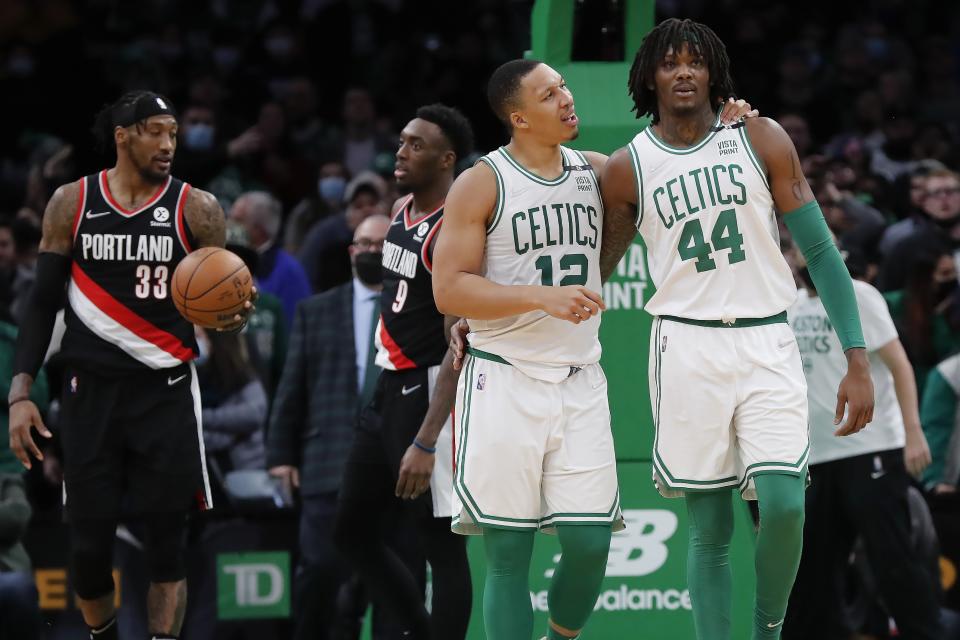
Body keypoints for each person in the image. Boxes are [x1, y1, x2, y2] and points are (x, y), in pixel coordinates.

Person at [433, 57, 753, 640]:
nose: (567, 98)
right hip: (504, 378)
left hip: (579, 378)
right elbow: (449, 288)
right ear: (519, 116)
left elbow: (686, 169)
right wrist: (541, 298)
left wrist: (728, 126)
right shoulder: (483, 181)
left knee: (590, 545)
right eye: (550, 93)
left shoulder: (598, 171)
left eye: (564, 86)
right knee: (508, 556)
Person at [597, 19, 874, 640]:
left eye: (696, 61)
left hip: (765, 338)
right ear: (650, 76)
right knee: (710, 530)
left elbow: (824, 253)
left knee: (783, 507)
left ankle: (768, 627)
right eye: (671, 63)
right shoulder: (627, 167)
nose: (685, 71)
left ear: (714, 73)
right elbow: (592, 271)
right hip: (685, 343)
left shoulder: (760, 137)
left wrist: (857, 356)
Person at [6, 91, 252, 640]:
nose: (168, 144)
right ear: (123, 135)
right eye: (155, 132)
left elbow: (222, 323)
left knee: (168, 545)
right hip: (87, 390)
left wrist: (233, 319)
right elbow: (42, 303)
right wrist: (21, 392)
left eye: (173, 133)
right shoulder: (72, 202)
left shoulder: (197, 208)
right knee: (89, 552)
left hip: (164, 389)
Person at [332, 104, 475, 639]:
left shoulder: (453, 231)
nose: (401, 151)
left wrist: (429, 439)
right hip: (385, 390)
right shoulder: (398, 211)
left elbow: (460, 345)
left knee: (442, 547)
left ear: (447, 159)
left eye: (416, 144)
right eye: (401, 140)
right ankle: (417, 627)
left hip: (427, 391)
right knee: (351, 530)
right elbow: (398, 287)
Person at [784, 248, 941, 639]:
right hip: (812, 456)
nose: (803, 255)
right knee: (812, 572)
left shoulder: (860, 294)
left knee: (894, 560)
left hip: (869, 447)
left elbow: (900, 365)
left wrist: (913, 431)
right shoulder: (789, 305)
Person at [267, 213, 391, 639]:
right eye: (363, 243)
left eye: (379, 244)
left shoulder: (413, 306)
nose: (370, 251)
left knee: (385, 582)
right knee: (320, 570)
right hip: (326, 460)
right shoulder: (315, 311)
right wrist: (280, 455)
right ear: (350, 251)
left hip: (393, 467)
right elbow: (292, 386)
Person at [229, 190, 311, 330]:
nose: (229, 224)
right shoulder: (225, 261)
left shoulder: (289, 271)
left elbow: (294, 327)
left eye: (238, 220)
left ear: (259, 230)